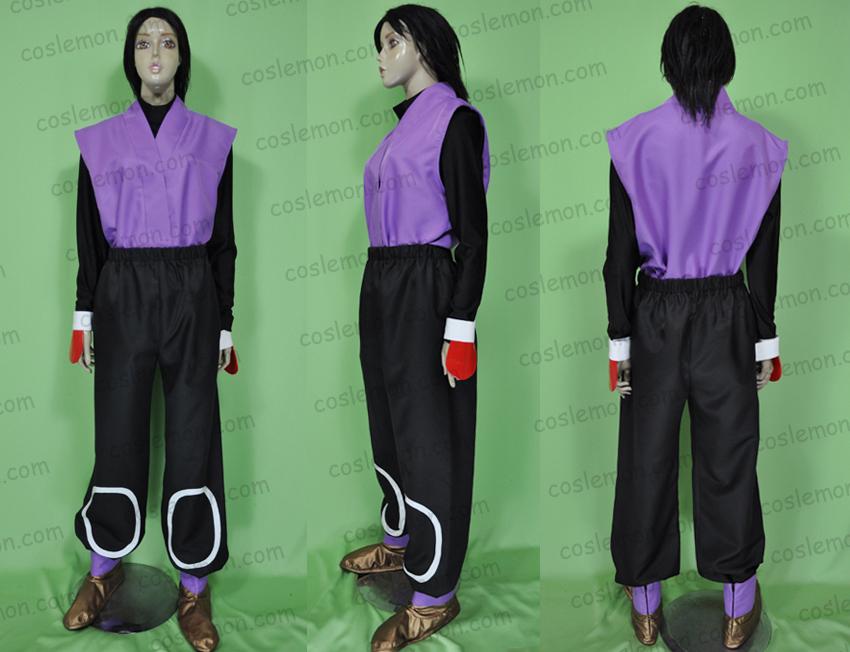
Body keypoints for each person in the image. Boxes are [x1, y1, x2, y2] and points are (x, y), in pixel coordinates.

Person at [602, 5, 787, 648]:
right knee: (729, 455)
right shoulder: (761, 146)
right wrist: (765, 338)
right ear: (726, 61)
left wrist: (619, 340)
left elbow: (618, 256)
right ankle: (738, 606)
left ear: (669, 61)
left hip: (654, 312)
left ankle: (646, 605)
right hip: (727, 313)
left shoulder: (633, 140)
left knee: (646, 456)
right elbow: (764, 257)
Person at [62, 8, 238, 651]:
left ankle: (194, 586)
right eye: (143, 42)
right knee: (117, 431)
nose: (155, 52)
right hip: (123, 291)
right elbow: (88, 238)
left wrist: (225, 323)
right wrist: (84, 315)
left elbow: (224, 241)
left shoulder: (213, 141)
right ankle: (103, 569)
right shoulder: (100, 143)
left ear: (181, 55)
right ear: (131, 57)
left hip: (192, 291)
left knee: (193, 434)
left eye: (167, 41)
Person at [337, 4, 490, 650]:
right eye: (379, 43)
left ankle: (435, 594)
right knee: (389, 421)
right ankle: (399, 541)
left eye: (391, 41)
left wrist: (460, 323)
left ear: (423, 45)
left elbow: (474, 236)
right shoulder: (398, 130)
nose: (381, 55)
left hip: (427, 287)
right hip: (382, 281)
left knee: (430, 437)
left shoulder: (455, 122)